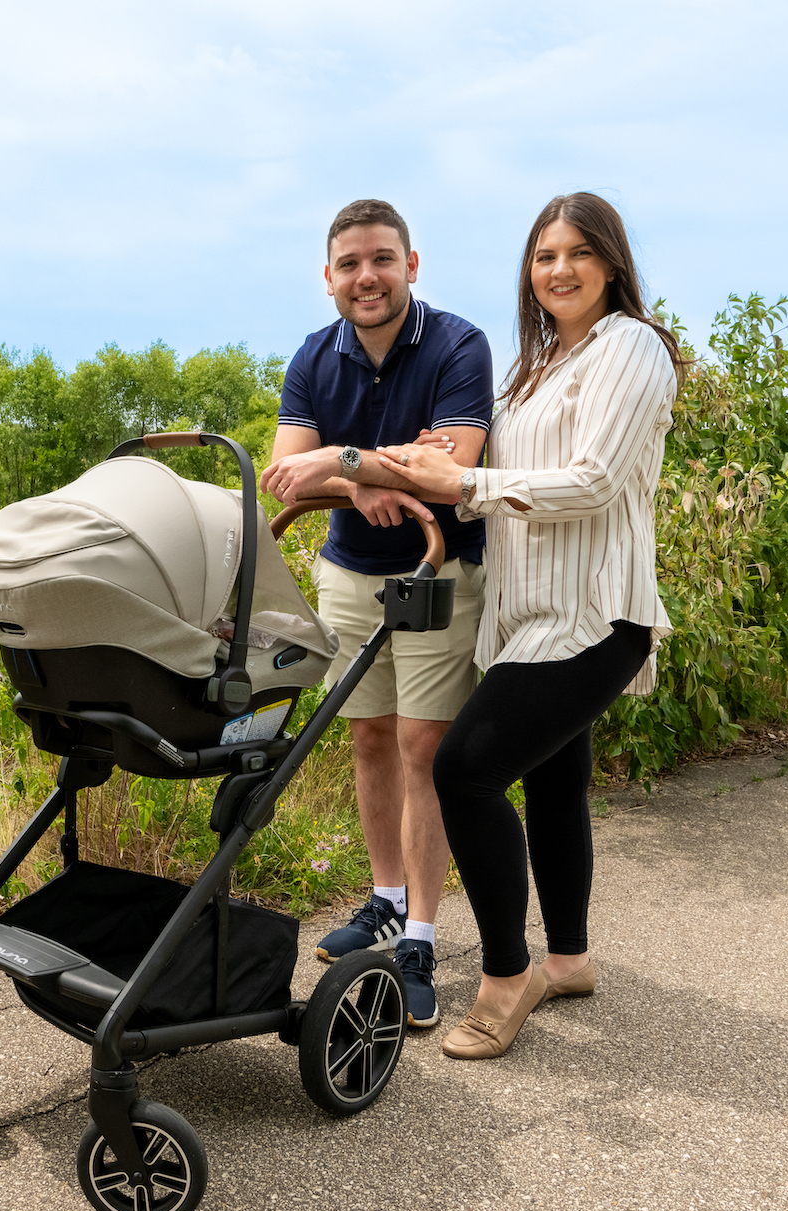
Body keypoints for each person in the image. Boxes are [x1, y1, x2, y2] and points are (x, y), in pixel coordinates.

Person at [376, 191, 685, 1059]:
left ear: (612, 264)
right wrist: (434, 463)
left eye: (577, 253)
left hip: (592, 614)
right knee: (553, 782)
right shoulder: (539, 361)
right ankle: (571, 959)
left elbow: (591, 482)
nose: (557, 269)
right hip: (527, 615)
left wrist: (463, 488)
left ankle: (508, 977)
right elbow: (506, 465)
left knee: (464, 771)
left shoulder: (630, 348)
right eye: (543, 256)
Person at [258, 198, 493, 1028]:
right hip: (350, 570)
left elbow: (455, 466)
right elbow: (282, 477)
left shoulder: (460, 344)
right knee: (367, 736)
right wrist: (362, 478)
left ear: (412, 265)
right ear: (328, 279)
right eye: (350, 264)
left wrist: (339, 457)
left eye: (383, 260)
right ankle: (385, 898)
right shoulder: (312, 358)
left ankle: (421, 935)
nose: (368, 277)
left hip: (438, 571)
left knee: (424, 746)